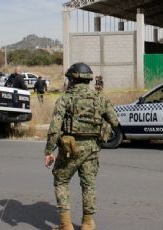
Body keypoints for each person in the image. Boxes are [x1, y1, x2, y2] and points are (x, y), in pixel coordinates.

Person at [44, 62, 118, 230]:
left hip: (70, 149)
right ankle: (86, 224)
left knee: (61, 181)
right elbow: (114, 121)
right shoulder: (100, 97)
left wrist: (49, 151)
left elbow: (54, 129)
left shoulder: (65, 98)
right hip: (92, 149)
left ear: (72, 79)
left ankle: (65, 225)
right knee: (88, 185)